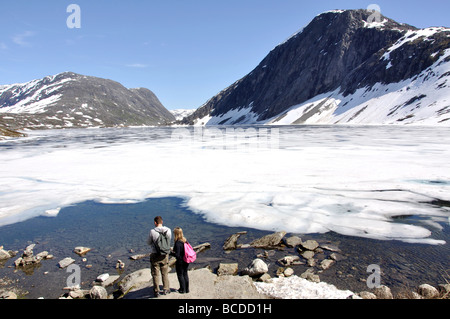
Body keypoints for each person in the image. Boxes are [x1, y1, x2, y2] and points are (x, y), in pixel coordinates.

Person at [147, 216, 172, 297]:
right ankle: (166, 289)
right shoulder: (168, 230)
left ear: (155, 222)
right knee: (165, 273)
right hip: (165, 255)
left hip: (155, 255)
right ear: (162, 222)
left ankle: (156, 291)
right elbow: (168, 241)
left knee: (155, 274)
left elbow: (148, 242)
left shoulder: (152, 231)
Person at [172, 227, 190, 294]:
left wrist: (171, 253)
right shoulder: (185, 240)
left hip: (180, 261)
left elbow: (177, 255)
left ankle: (182, 289)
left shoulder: (178, 243)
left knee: (180, 275)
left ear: (176, 234)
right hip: (186, 260)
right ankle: (187, 289)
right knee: (185, 274)